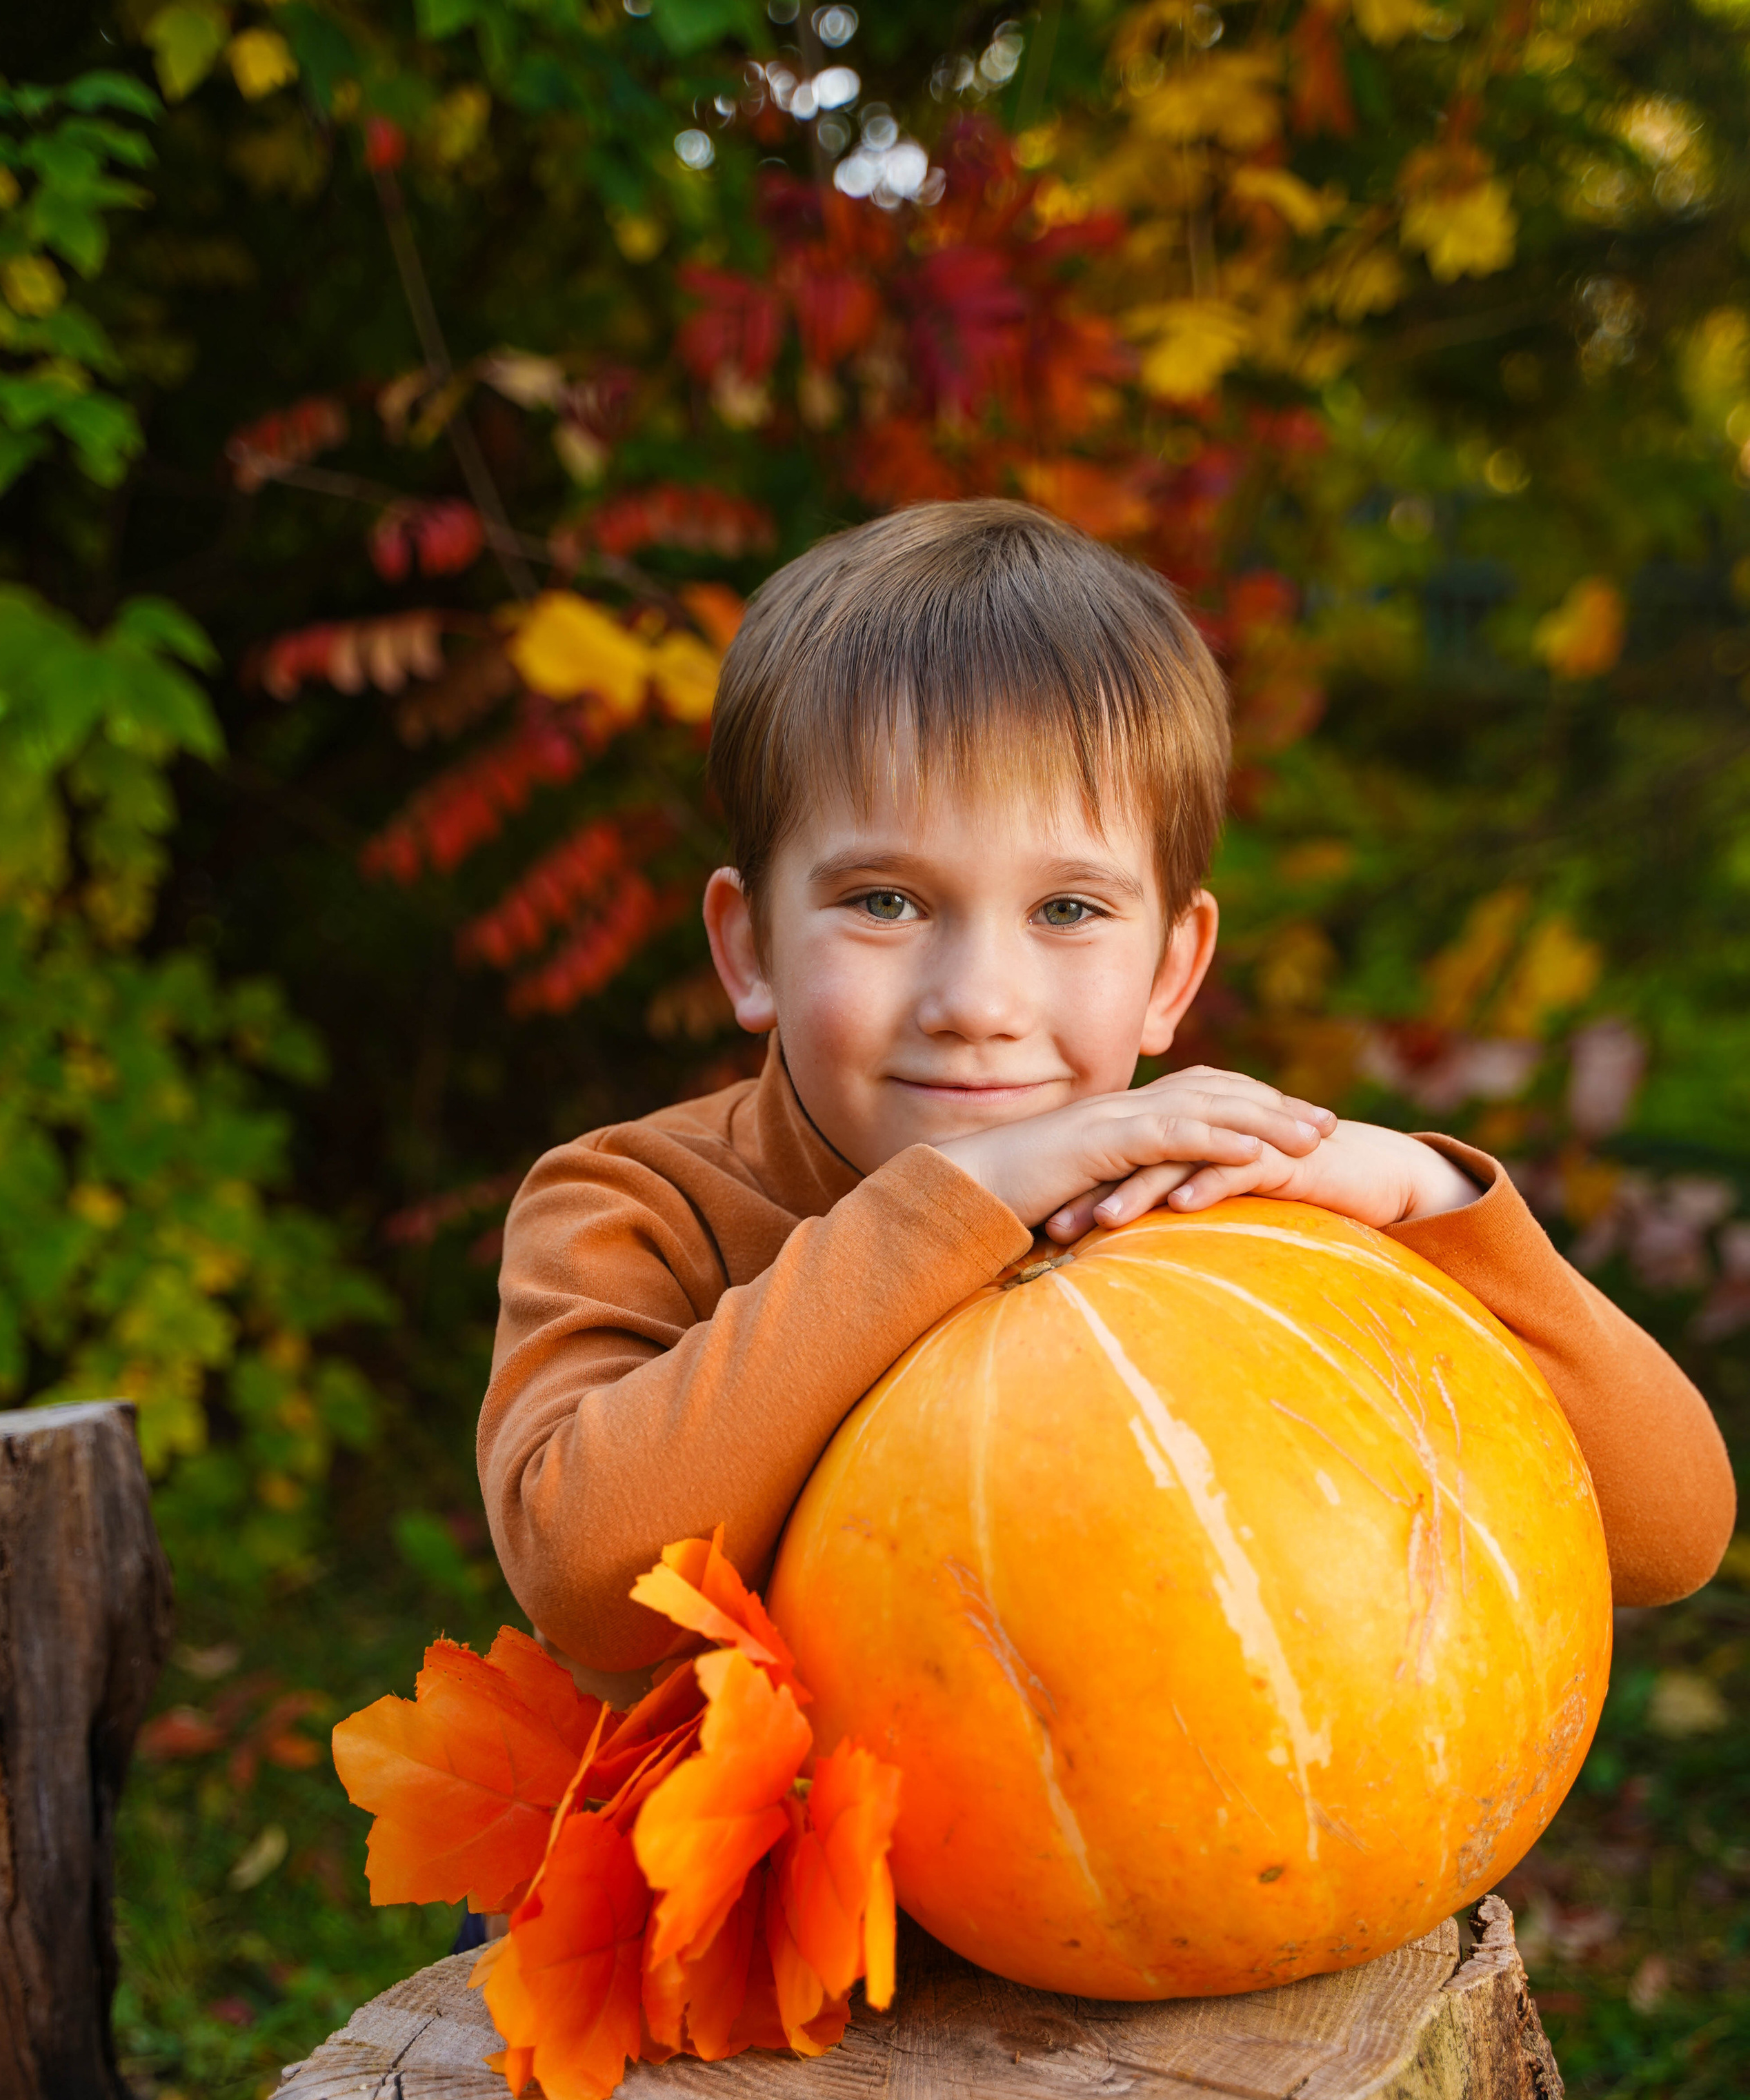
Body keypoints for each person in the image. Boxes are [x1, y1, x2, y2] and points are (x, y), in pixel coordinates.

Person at [478, 499, 1734, 1694]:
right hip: (727, 1894)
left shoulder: (1220, 1221)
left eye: (1067, 910)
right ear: (749, 948)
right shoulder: (637, 1207)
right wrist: (959, 1203)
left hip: (1154, 1876)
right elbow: (590, 1577)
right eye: (885, 902)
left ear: (1170, 971)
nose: (978, 999)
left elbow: (1670, 1533)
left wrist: (1428, 1199)